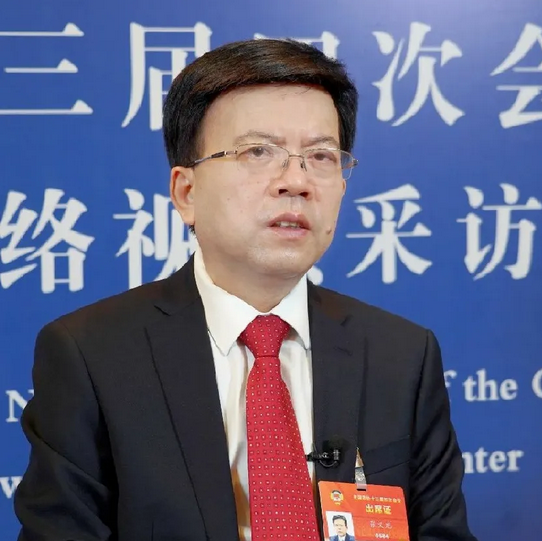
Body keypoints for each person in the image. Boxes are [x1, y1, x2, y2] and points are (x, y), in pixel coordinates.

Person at [14, 39, 478, 541]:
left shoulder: (402, 355)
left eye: (321, 155)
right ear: (186, 192)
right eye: (258, 152)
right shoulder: (92, 354)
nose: (296, 181)